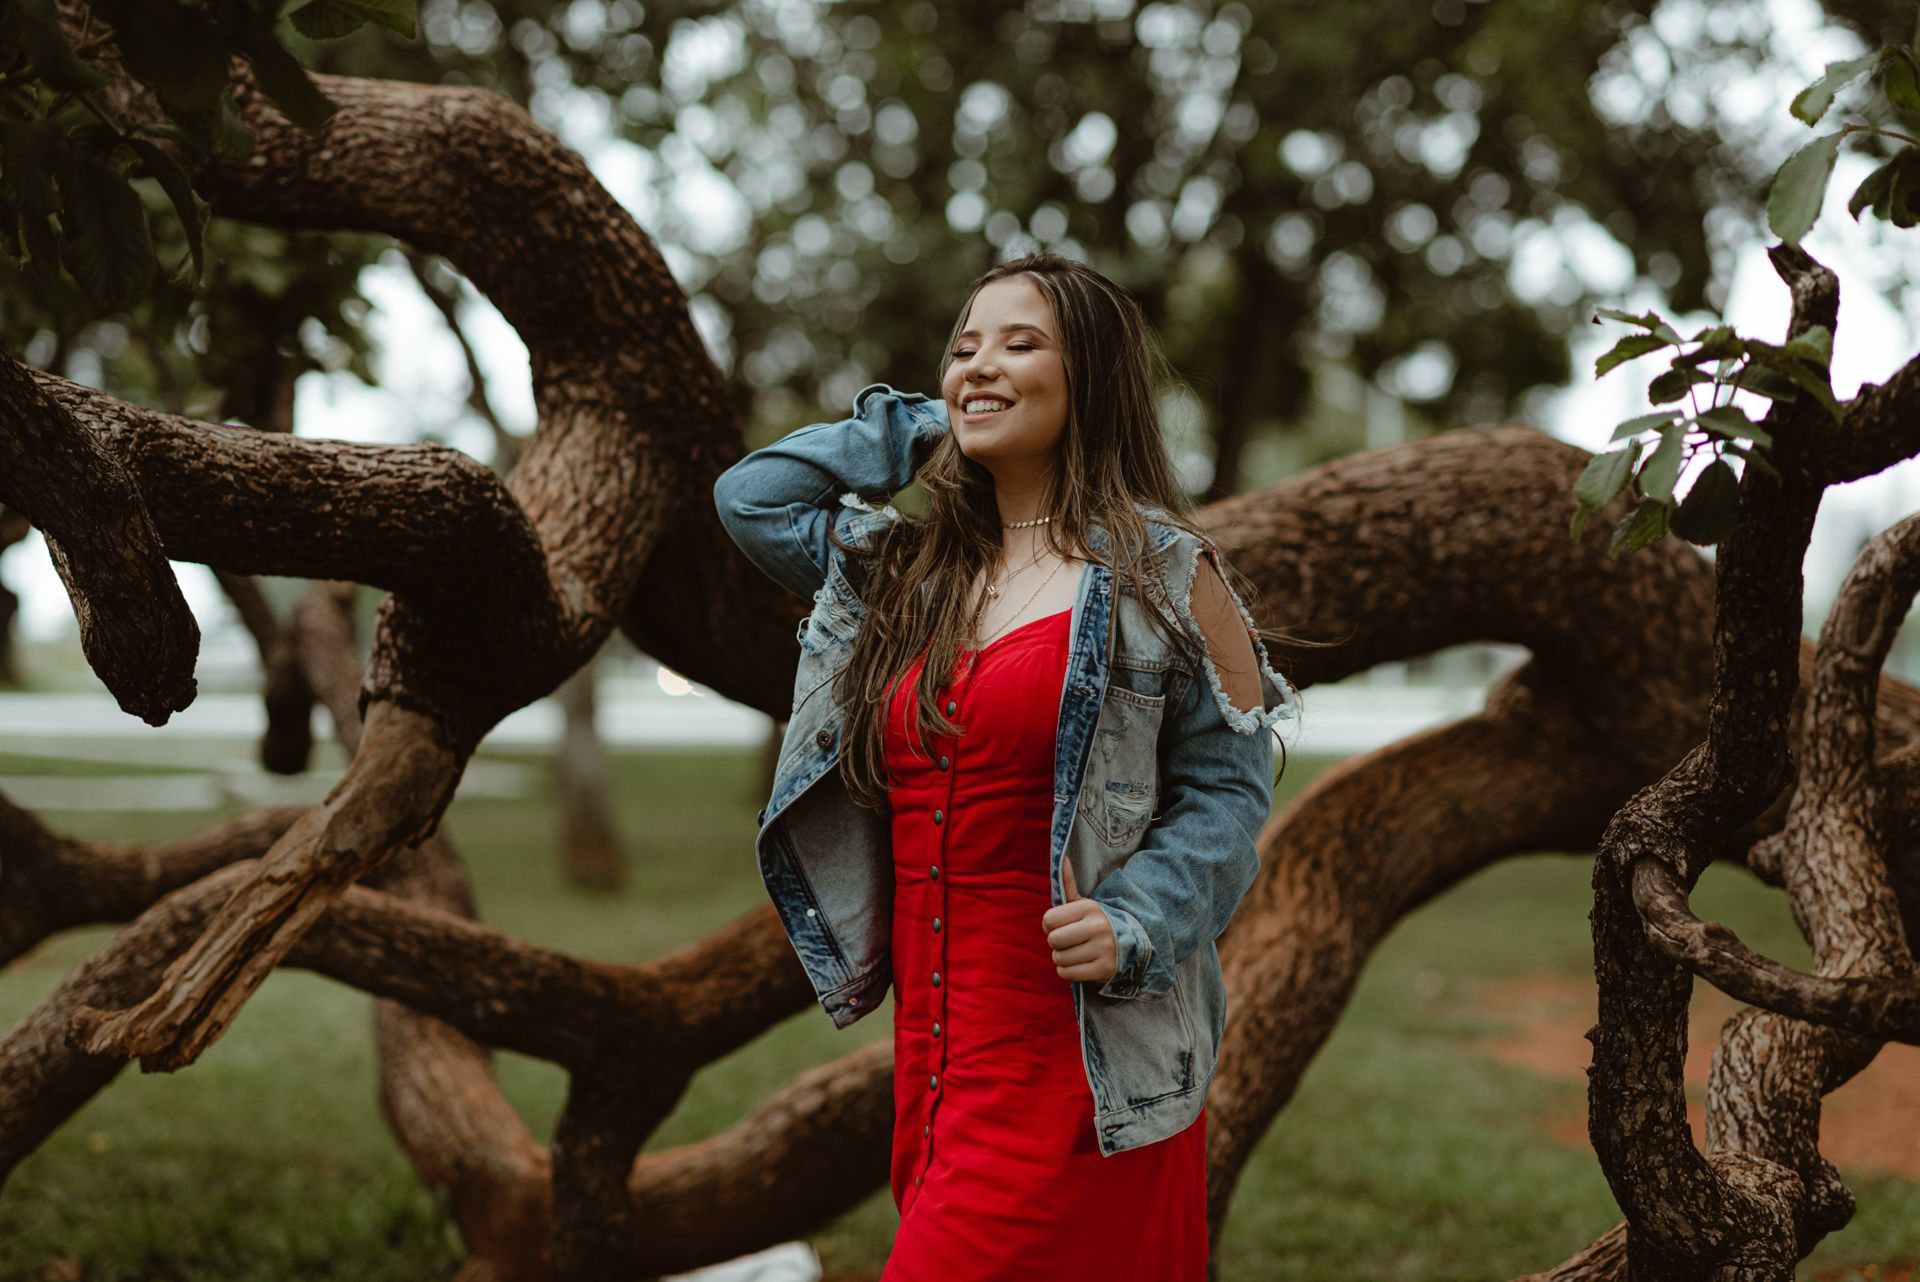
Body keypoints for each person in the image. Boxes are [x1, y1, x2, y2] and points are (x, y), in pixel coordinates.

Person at [713, 251, 1300, 1280]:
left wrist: (1140, 919)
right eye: (963, 348)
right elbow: (752, 497)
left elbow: (1231, 787)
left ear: (1095, 380)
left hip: (1081, 1052)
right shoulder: (913, 572)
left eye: (1021, 344)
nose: (979, 363)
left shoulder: (1165, 571)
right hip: (938, 1051)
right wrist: (944, 419)